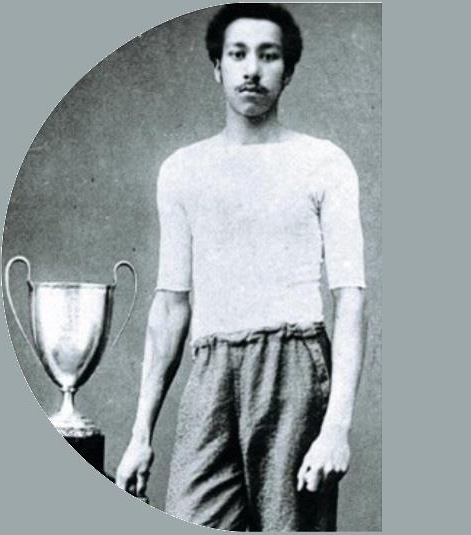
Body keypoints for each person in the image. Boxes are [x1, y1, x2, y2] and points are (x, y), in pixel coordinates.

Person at [115, 4, 365, 531]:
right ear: (218, 68)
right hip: (210, 374)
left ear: (288, 71)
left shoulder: (323, 162)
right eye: (238, 54)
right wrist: (141, 433)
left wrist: (336, 424)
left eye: (268, 55)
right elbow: (171, 303)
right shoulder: (183, 170)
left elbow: (351, 297)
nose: (252, 68)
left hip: (293, 368)